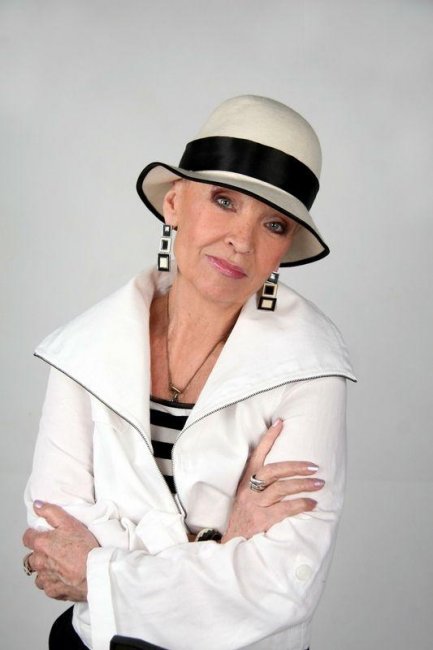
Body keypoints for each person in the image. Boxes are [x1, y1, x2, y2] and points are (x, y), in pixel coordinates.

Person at [23, 95, 356, 650]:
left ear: (283, 250)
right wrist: (221, 543)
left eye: (273, 224)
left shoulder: (311, 367)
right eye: (224, 201)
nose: (242, 240)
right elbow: (54, 535)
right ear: (174, 203)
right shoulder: (84, 350)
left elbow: (283, 584)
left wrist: (102, 570)